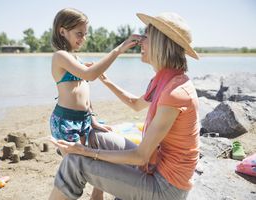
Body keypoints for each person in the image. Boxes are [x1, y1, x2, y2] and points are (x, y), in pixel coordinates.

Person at [49, 12, 200, 200]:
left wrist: (86, 152)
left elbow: (140, 156)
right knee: (96, 136)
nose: (140, 42)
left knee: (75, 162)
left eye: (145, 37)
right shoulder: (166, 79)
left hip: (166, 187)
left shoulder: (175, 92)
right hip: (156, 164)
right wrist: (107, 81)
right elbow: (135, 104)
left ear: (160, 43)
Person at [49, 8, 137, 200]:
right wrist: (118, 49)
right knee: (75, 168)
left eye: (85, 34)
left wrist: (93, 120)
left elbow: (84, 95)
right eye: (78, 33)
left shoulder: (76, 59)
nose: (83, 38)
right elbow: (90, 75)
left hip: (84, 120)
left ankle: (97, 196)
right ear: (62, 31)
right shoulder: (60, 56)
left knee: (96, 163)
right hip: (66, 121)